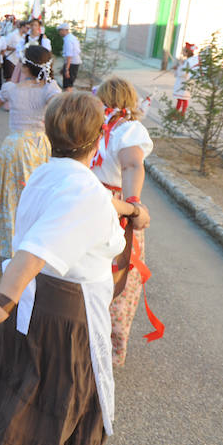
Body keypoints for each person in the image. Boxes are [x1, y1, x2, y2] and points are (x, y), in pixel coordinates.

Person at [0, 92, 125, 445]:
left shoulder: (49, 174)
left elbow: (75, 211)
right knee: (57, 398)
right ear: (98, 139)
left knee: (27, 383)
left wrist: (127, 208)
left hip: (35, 303)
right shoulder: (84, 192)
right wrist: (0, 301)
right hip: (64, 310)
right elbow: (35, 250)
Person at [0, 45, 60, 258]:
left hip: (16, 146)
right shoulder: (50, 89)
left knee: (12, 196)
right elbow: (58, 107)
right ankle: (36, 245)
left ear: (25, 66)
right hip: (40, 146)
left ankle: (12, 244)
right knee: (38, 195)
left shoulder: (13, 89)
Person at [91, 76, 154, 366]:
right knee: (104, 274)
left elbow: (132, 165)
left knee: (111, 274)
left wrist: (132, 205)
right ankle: (92, 339)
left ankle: (100, 342)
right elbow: (130, 165)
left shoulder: (124, 130)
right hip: (101, 204)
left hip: (106, 206)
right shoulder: (103, 127)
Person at [172, 42, 198, 115]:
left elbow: (184, 72)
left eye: (183, 50)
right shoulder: (188, 60)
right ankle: (178, 112)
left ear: (187, 52)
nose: (182, 52)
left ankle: (181, 113)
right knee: (181, 98)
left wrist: (178, 68)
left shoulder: (188, 61)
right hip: (185, 81)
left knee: (182, 98)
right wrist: (178, 67)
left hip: (184, 82)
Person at [60, 22, 81, 90]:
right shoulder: (71, 37)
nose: (59, 32)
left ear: (65, 30)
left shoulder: (68, 40)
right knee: (69, 85)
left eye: (60, 30)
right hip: (74, 63)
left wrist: (67, 69)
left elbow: (69, 55)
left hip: (71, 63)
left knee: (67, 86)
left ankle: (68, 99)